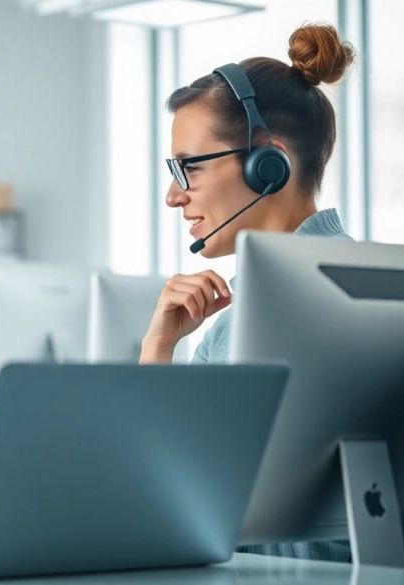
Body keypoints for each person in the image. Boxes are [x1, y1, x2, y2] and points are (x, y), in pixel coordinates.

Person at [139, 23, 356, 561]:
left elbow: (158, 495)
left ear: (269, 163)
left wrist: (156, 350)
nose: (173, 196)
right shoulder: (373, 284)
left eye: (188, 167)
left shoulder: (257, 318)